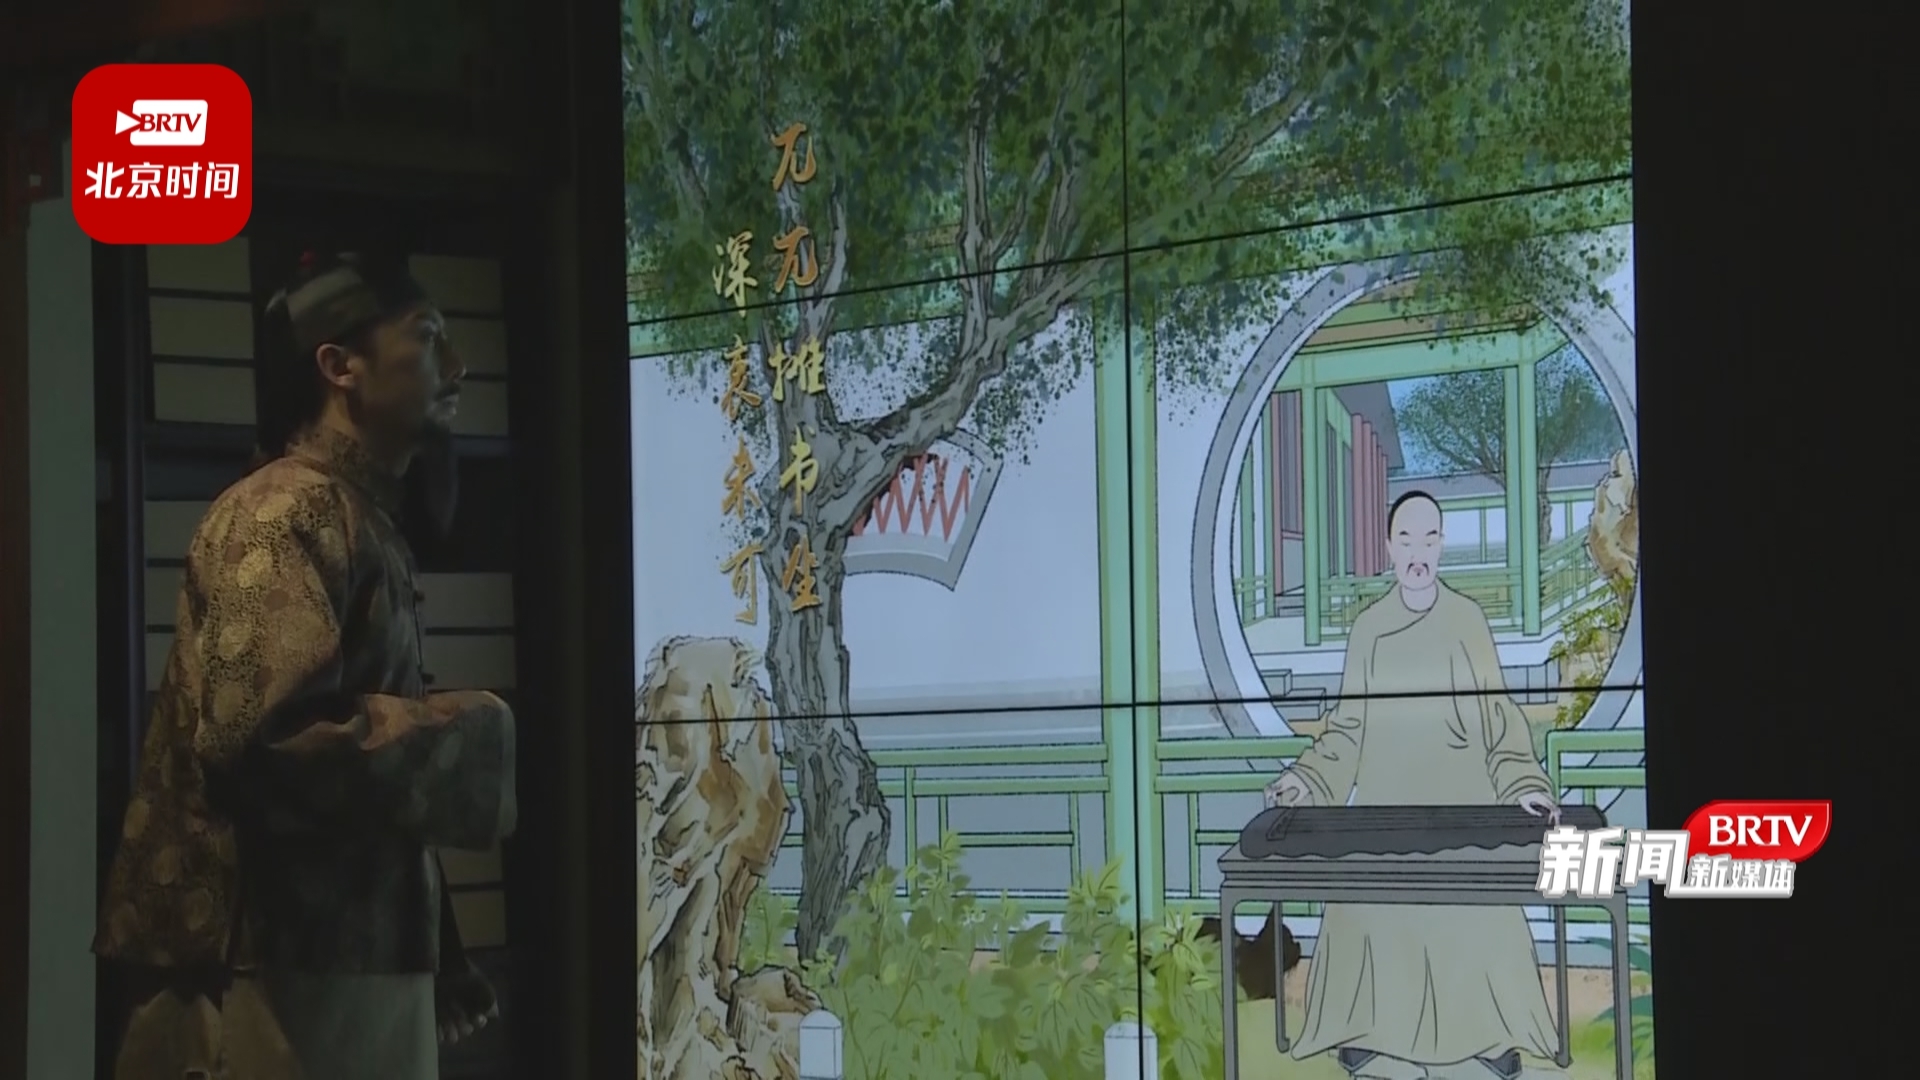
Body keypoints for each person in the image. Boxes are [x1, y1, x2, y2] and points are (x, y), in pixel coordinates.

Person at [94, 251, 517, 1080]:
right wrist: (475, 733)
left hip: (333, 967)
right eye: (427, 335)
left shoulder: (351, 511)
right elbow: (268, 739)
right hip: (270, 974)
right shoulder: (282, 508)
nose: (457, 366)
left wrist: (438, 946)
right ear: (339, 365)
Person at [1264, 491, 1562, 1080]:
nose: (1418, 553)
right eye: (1406, 540)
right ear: (1389, 548)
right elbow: (1346, 730)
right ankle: (1368, 1035)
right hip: (1386, 806)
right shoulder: (1369, 630)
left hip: (1462, 803)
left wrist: (1523, 782)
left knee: (1477, 904)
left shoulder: (1467, 621)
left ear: (1442, 546)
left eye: (1429, 539)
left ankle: (1487, 1036)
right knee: (1361, 898)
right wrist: (1306, 778)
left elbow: (1498, 719)